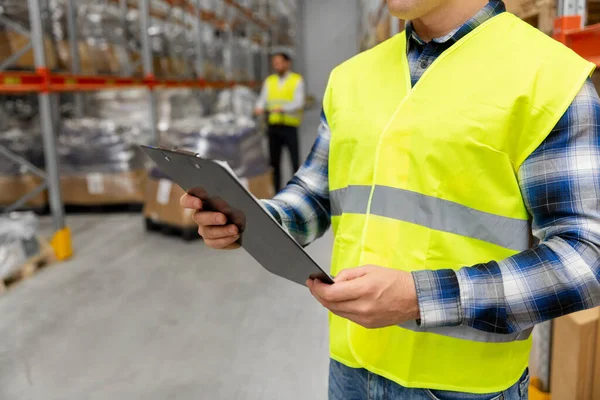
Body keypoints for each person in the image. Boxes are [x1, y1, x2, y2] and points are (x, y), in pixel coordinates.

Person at [182, 0, 600, 398]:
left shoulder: (550, 78)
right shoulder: (351, 77)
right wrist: (249, 219)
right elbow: (314, 192)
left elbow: (587, 259)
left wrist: (419, 296)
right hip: (351, 366)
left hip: (464, 386)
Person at [254, 52, 306, 192]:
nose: (276, 65)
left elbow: (299, 102)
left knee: (294, 161)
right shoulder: (269, 81)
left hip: (289, 126)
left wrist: (282, 108)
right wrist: (259, 107)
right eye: (274, 63)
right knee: (274, 163)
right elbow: (262, 99)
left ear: (287, 63)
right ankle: (277, 192)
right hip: (273, 127)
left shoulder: (296, 80)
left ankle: (297, 191)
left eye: (279, 62)